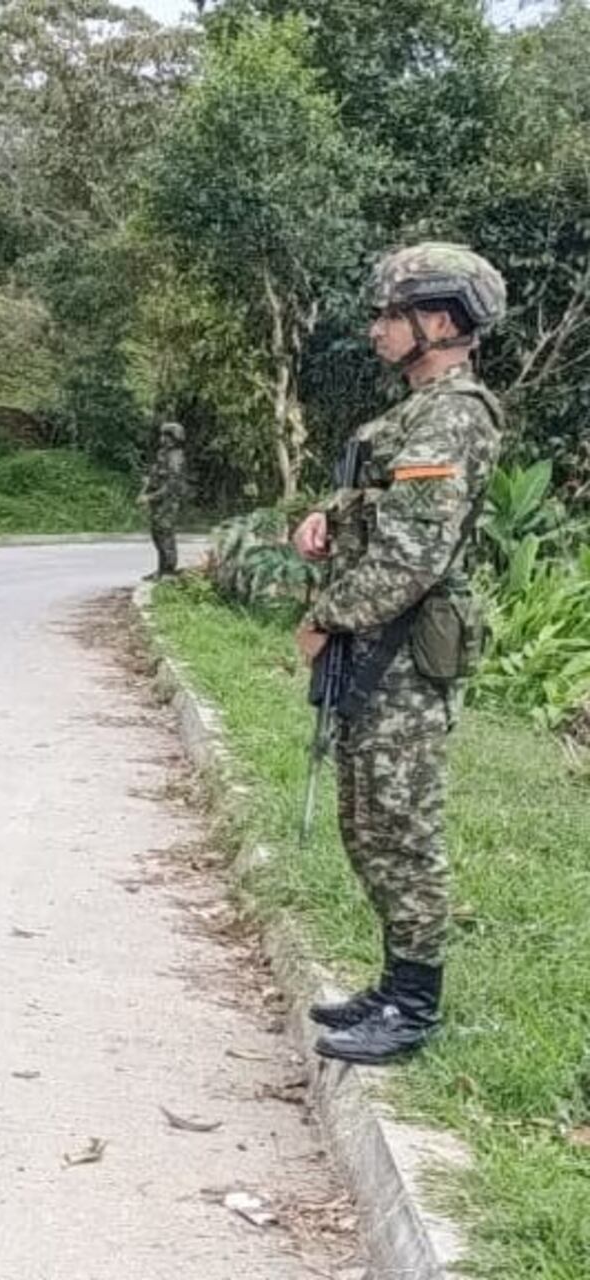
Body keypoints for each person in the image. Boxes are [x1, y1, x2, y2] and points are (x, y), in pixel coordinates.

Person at [292, 243, 507, 1066]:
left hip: (405, 655)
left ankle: (415, 1007)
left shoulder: (453, 415)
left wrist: (326, 617)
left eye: (392, 314)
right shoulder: (414, 413)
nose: (377, 328)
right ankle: (392, 984)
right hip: (379, 647)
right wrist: (330, 515)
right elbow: (389, 510)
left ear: (441, 322)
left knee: (401, 824)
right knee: (368, 822)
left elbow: (416, 554)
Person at [139, 418, 187, 580]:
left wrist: (150, 497)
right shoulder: (163, 454)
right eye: (163, 436)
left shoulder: (176, 457)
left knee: (165, 534)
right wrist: (148, 483)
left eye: (167, 436)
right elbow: (156, 475)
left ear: (174, 438)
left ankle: (169, 570)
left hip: (168, 501)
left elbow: (171, 485)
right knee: (157, 533)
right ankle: (161, 569)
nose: (163, 439)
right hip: (158, 501)